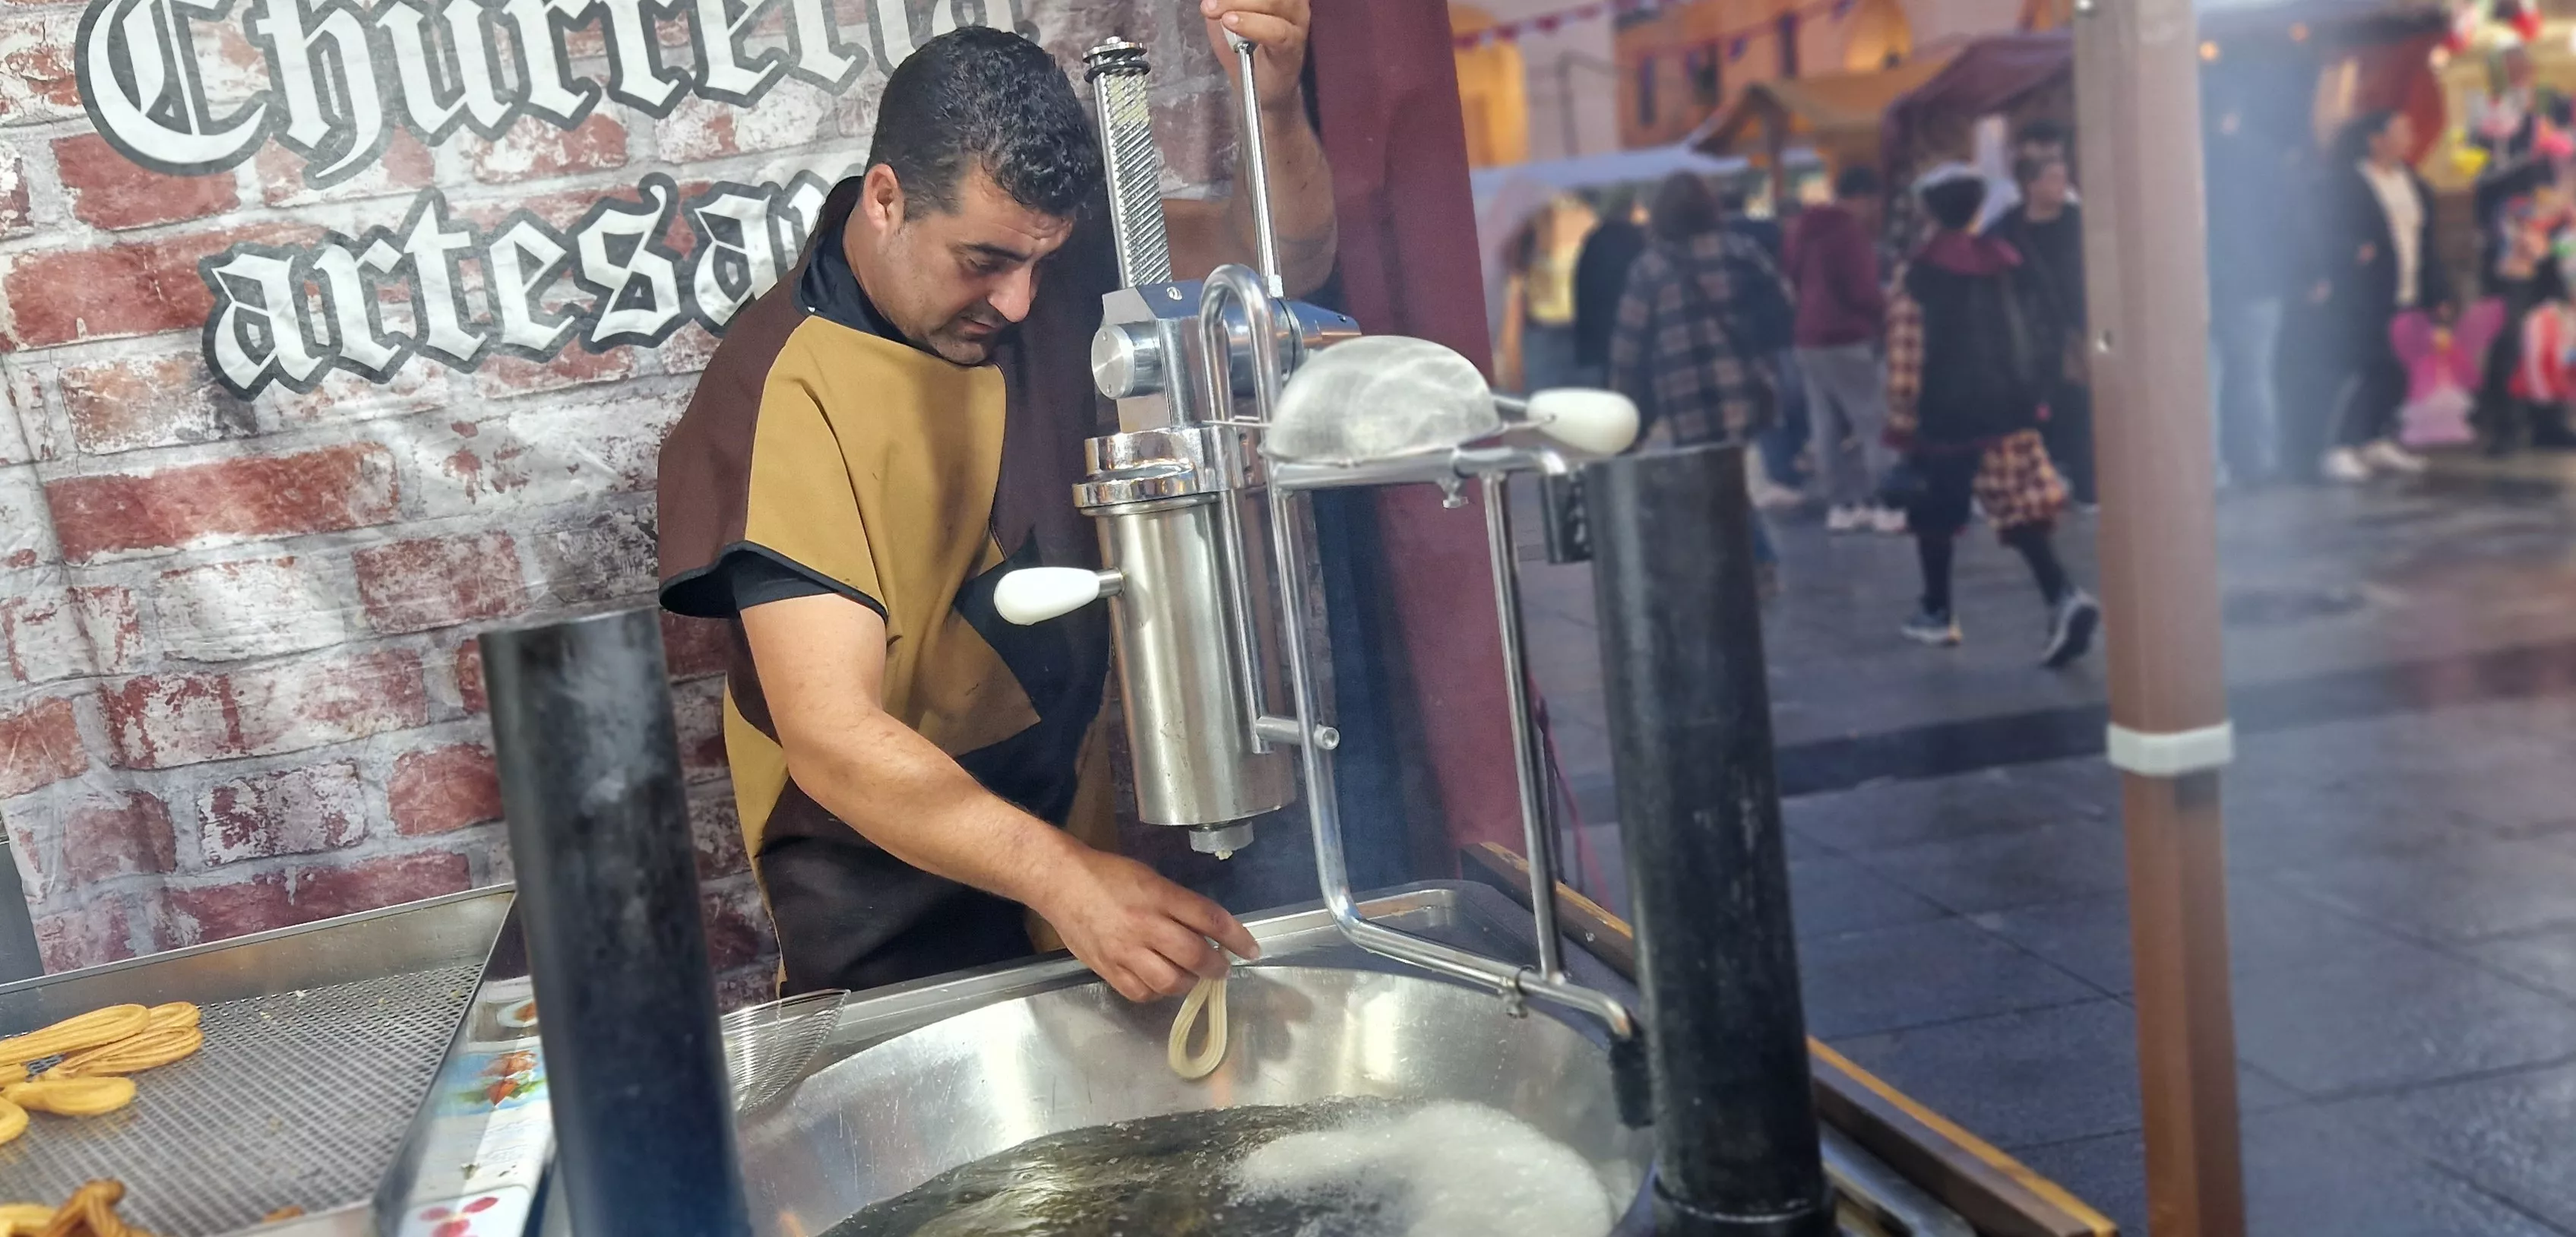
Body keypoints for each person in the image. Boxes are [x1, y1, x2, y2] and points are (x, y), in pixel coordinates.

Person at [653, 11, 1337, 1001]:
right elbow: (833, 736)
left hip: (1067, 869)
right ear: (885, 200)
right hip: (873, 918)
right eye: (982, 263)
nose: (1018, 303)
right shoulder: (776, 386)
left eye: (1040, 264)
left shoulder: (1034, 264)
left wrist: (1268, 102)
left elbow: (1277, 268)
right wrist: (1064, 881)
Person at [1885, 166, 2100, 666]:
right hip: (2009, 407)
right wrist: (2037, 395)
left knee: (1934, 513)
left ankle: (1936, 612)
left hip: (1944, 414)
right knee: (2020, 510)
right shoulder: (2006, 260)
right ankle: (2062, 595)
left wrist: (1901, 417)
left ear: (1929, 211)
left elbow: (1905, 354)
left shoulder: (1918, 271)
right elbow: (2042, 326)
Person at [2315, 109, 2451, 481]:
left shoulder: (2413, 183)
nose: (2409, 136)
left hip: (2408, 289)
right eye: (2400, 130)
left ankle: (2376, 438)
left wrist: (2438, 291)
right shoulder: (2346, 182)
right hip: (2366, 292)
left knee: (2397, 368)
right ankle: (2338, 445)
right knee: (2362, 367)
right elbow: (2320, 230)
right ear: (2375, 139)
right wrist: (2349, 252)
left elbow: (2427, 242)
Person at [1609, 172, 1781, 451]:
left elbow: (1626, 352)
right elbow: (1781, 311)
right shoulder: (1741, 252)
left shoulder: (1648, 269)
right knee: (1745, 479)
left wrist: (1625, 412)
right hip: (1744, 391)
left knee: (1703, 484)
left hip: (1684, 401)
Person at [1786, 165, 1899, 533]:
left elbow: (1792, 276)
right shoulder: (1849, 233)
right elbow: (1862, 291)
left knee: (1826, 425)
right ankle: (1887, 502)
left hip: (1807, 336)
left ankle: (1841, 505)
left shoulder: (1803, 229)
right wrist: (1887, 305)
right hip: (1846, 337)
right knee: (1873, 420)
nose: (1876, 211)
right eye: (1874, 203)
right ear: (1862, 199)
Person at [1989, 153, 2093, 506]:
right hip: (2032, 337)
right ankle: (2050, 476)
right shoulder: (2008, 229)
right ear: (2030, 186)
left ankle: (2087, 481)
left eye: (2064, 178)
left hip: (2087, 331)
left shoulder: (2081, 222)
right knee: (2042, 404)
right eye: (2052, 178)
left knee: (2086, 400)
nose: (2061, 187)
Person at [1571, 187, 1648, 389]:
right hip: (1639, 345)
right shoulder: (1640, 239)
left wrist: (1586, 350)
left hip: (1603, 343)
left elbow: (1584, 297)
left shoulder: (1596, 240)